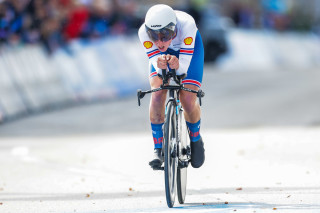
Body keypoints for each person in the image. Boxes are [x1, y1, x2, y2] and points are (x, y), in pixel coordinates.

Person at [138, 4, 205, 169]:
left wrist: (177, 66)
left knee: (188, 98)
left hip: (189, 53)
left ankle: (195, 138)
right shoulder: (142, 32)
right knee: (158, 92)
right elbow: (156, 62)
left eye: (165, 35)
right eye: (154, 36)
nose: (159, 42)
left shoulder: (187, 25)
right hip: (163, 58)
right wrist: (161, 64)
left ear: (174, 29)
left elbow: (182, 69)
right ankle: (158, 147)